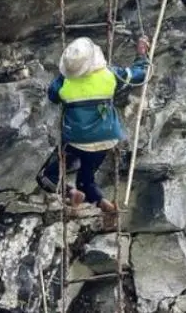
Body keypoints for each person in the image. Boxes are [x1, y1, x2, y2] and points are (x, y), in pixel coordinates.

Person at [36, 35, 150, 214]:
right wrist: (142, 54)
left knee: (46, 177)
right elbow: (140, 74)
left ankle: (71, 192)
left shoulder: (66, 83)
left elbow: (52, 95)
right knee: (86, 180)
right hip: (106, 138)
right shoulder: (109, 75)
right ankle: (103, 203)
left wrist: (63, 75)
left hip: (76, 140)